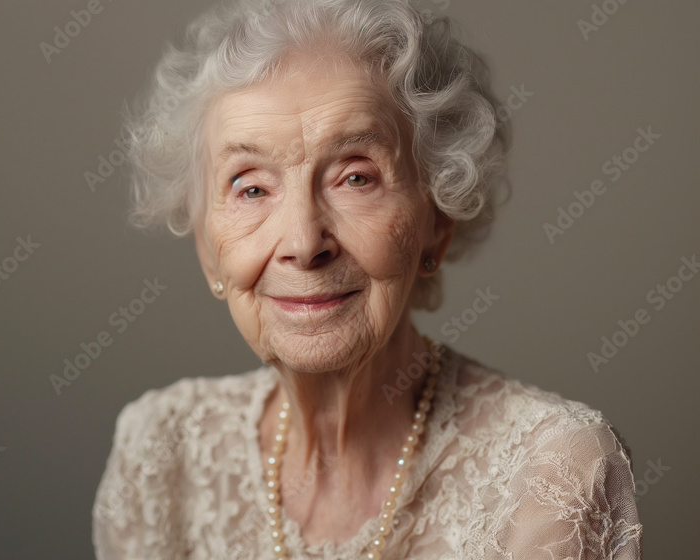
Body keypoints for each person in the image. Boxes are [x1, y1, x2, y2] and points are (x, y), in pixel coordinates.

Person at [92, 0, 642, 558]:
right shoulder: (159, 452)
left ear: (436, 223)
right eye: (251, 187)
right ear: (209, 252)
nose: (305, 243)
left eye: (356, 177)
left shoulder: (551, 476)